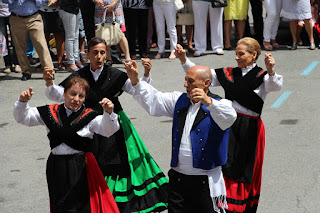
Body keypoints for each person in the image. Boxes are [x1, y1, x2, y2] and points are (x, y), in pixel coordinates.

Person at [43, 37, 169, 213]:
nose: (99, 56)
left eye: (103, 52)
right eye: (95, 52)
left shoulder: (115, 74)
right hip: (88, 123)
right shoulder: (79, 75)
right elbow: (60, 95)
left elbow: (138, 91)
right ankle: (95, 201)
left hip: (115, 123)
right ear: (87, 54)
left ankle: (116, 204)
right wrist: (49, 83)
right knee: (92, 163)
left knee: (119, 163)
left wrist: (143, 76)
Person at [175, 37, 283, 212]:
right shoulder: (228, 73)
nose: (237, 58)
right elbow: (202, 75)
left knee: (244, 165)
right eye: (236, 54)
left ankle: (240, 206)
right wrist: (183, 59)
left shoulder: (261, 76)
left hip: (250, 128)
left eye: (241, 54)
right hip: (227, 123)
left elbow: (275, 86)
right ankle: (222, 201)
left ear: (253, 54)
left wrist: (271, 70)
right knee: (225, 163)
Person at [123, 60, 237, 212]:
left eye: (190, 81)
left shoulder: (221, 105)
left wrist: (208, 102)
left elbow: (230, 116)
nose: (185, 85)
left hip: (205, 183)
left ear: (206, 83)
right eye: (185, 80)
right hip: (178, 180)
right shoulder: (179, 100)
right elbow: (154, 100)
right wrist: (136, 81)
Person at [13, 76, 120, 212]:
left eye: (81, 96)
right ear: (64, 93)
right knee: (59, 203)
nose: (76, 99)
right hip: (56, 165)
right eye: (73, 94)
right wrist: (22, 102)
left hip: (80, 166)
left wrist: (109, 112)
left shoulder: (90, 116)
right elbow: (24, 117)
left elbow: (108, 130)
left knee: (80, 205)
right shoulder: (50, 112)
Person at [3, 0, 54, 81]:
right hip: (16, 19)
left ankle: (49, 71)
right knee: (20, 47)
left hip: (34, 18)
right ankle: (26, 71)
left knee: (41, 44)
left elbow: (42, 1)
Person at [48, 0, 84, 72]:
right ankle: (71, 62)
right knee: (70, 37)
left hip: (75, 8)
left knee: (76, 36)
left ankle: (77, 60)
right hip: (67, 8)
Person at [39, 1, 66, 71]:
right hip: (42, 9)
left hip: (58, 10)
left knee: (59, 35)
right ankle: (44, 62)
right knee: (43, 37)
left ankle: (60, 61)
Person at [0, 0, 21, 74]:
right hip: (0, 16)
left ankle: (17, 63)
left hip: (12, 13)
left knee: (15, 40)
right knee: (3, 42)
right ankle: (8, 65)